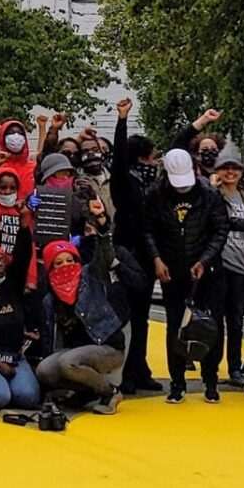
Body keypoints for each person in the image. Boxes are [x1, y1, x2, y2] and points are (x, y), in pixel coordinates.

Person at [35, 199, 142, 414]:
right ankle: (88, 390)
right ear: (50, 268)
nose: (66, 265)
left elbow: (103, 253)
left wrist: (102, 226)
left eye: (69, 260)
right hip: (76, 352)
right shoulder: (49, 300)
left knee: (68, 362)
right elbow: (50, 339)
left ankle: (109, 392)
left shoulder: (90, 275)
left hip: (107, 347)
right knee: (44, 370)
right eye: (59, 263)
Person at [110, 99, 159, 395]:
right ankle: (125, 371)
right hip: (126, 252)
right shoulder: (122, 181)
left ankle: (140, 368)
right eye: (151, 158)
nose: (155, 163)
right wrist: (122, 121)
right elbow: (117, 158)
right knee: (126, 316)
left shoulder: (152, 185)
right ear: (140, 158)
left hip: (148, 252)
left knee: (142, 317)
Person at [0, 234, 41, 410]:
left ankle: (9, 385)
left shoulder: (13, 284)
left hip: (15, 355)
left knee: (29, 397)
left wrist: (25, 228)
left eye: (2, 259)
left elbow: (23, 256)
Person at [212, 146, 244, 387]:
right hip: (219, 265)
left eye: (235, 168)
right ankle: (213, 366)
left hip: (241, 265)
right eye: (225, 167)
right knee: (216, 320)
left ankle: (235, 368)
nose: (230, 172)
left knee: (236, 321)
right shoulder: (212, 195)